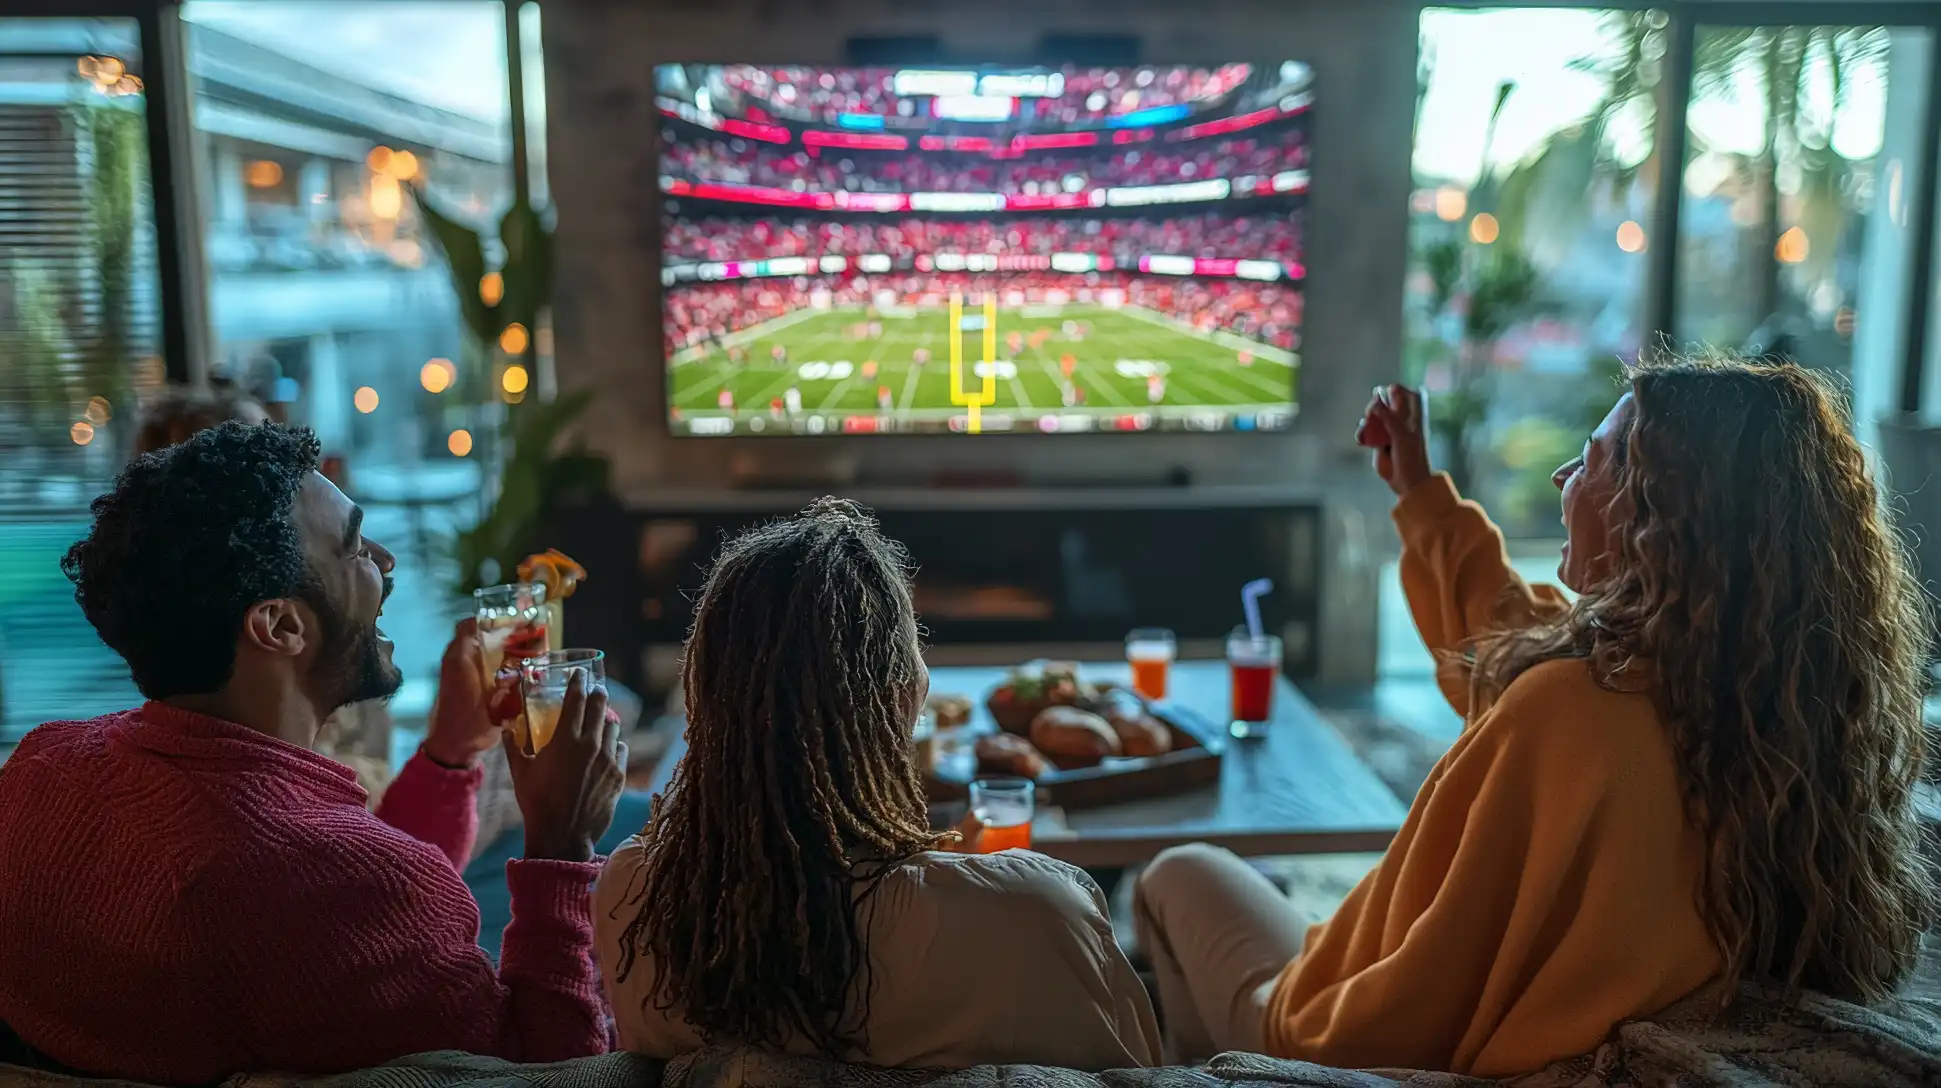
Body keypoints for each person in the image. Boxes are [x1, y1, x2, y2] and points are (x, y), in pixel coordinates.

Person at [1134, 359, 1931, 1077]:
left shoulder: (1569, 707)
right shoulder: (1758, 703)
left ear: (1652, 518)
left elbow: (1414, 997)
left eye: (1585, 461)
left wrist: (1298, 1040)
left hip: (1345, 1049)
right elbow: (1513, 632)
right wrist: (1418, 490)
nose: (1559, 476)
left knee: (1177, 873)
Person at [0, 422, 627, 1081]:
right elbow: (553, 1071)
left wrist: (449, 755)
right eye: (354, 547)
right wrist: (560, 840)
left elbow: (349, 905)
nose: (385, 562)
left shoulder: (40, 772)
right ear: (281, 625)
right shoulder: (306, 881)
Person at [595, 500, 1160, 1070]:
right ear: (900, 698)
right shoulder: (1035, 912)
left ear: (701, 697)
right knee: (1184, 877)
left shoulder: (630, 897)